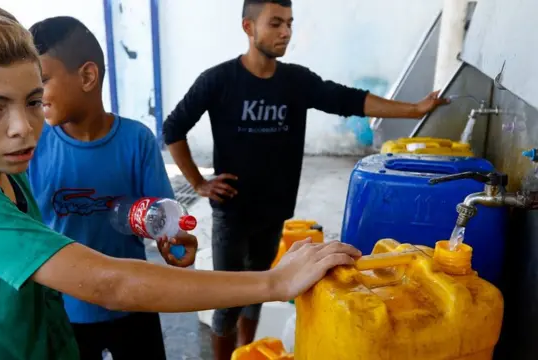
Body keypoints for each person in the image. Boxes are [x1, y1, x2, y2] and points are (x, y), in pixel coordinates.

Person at [0, 4, 362, 359]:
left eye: (34, 100)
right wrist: (272, 283)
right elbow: (108, 283)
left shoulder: (0, 167)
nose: (25, 127)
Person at [162, 0, 449, 358]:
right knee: (228, 299)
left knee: (261, 287)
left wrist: (414, 109)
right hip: (232, 212)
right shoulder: (218, 81)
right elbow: (173, 128)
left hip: (275, 209)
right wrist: (200, 183)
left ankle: (247, 352)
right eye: (276, 23)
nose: (286, 32)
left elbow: (349, 100)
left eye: (290, 23)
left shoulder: (295, 81)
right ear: (248, 28)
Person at [26, 16, 189, 360]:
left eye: (41, 81)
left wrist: (174, 237)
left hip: (133, 304)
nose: (34, 97)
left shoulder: (137, 141)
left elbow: (163, 217)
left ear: (87, 76)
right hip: (64, 311)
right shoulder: (32, 147)